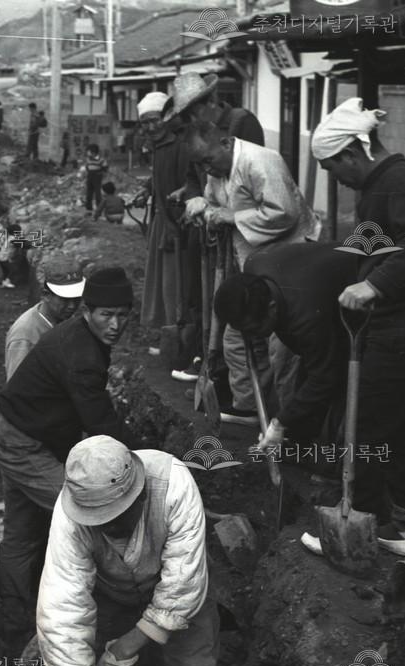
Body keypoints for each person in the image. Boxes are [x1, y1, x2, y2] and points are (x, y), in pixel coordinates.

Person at [300, 97, 405, 558]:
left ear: (352, 153)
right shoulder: (387, 184)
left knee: (365, 427)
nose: (336, 178)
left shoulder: (396, 182)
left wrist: (374, 287)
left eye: (333, 168)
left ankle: (363, 523)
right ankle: (403, 522)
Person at [0, 268, 138, 656]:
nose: (116, 324)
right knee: (87, 516)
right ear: (87, 311)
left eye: (123, 315)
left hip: (22, 434)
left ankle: (15, 617)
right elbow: (100, 424)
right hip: (24, 444)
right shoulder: (81, 354)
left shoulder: (78, 336)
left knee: (22, 532)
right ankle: (78, 618)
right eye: (107, 315)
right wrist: (140, 465)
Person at [37, 436, 230, 666]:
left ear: (142, 493)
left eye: (117, 516)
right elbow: (63, 602)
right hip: (111, 597)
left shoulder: (172, 483)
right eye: (98, 520)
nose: (108, 526)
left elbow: (183, 581)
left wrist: (126, 646)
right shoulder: (71, 514)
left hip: (183, 597)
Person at [182, 121, 321, 427]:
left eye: (208, 159)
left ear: (226, 142)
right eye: (201, 163)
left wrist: (229, 217)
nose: (207, 168)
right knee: (236, 336)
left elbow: (284, 213)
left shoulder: (261, 161)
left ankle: (291, 425)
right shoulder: (216, 169)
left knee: (282, 350)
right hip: (253, 264)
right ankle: (250, 406)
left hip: (289, 263)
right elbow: (216, 204)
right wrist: (203, 207)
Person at [214, 244, 357, 457]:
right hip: (322, 281)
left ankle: (332, 460)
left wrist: (279, 423)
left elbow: (324, 377)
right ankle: (302, 441)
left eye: (254, 330)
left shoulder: (306, 319)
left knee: (340, 390)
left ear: (271, 308)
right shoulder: (254, 264)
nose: (251, 337)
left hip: (368, 298)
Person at [137, 92, 200, 382]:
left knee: (178, 288)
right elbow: (159, 177)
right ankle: (168, 339)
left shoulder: (179, 146)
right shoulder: (159, 145)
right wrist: (148, 189)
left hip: (178, 225)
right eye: (145, 123)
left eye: (153, 121)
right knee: (163, 284)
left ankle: (183, 349)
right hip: (163, 223)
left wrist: (177, 225)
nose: (150, 128)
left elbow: (186, 183)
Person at [164, 71, 266, 202]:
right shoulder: (193, 133)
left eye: (194, 113)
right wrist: (195, 200)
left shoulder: (242, 121)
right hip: (212, 214)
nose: (192, 121)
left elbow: (254, 175)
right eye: (187, 117)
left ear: (212, 101)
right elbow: (193, 176)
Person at [4, 254, 85, 379]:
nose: (72, 306)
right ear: (45, 295)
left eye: (76, 298)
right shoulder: (25, 335)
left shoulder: (64, 321)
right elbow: (17, 390)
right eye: (65, 299)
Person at [83, 144, 108, 213]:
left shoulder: (101, 159)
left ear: (93, 152)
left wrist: (101, 172)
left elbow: (105, 167)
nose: (87, 153)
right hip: (90, 176)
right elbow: (87, 167)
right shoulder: (88, 159)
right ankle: (88, 208)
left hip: (97, 176)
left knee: (97, 193)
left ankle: (98, 207)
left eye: (88, 151)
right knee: (89, 192)